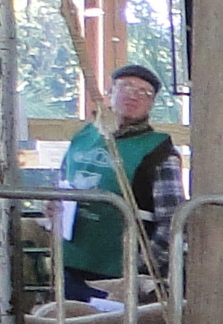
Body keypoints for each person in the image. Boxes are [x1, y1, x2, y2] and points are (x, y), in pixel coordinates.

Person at [57, 64, 185, 299]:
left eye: (144, 92)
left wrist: (142, 266)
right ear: (110, 91)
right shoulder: (82, 138)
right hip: (71, 263)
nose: (133, 96)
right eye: (126, 87)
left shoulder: (159, 153)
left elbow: (173, 220)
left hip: (121, 275)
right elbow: (61, 190)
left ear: (151, 104)